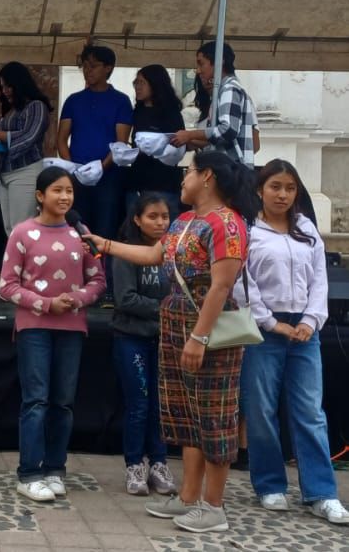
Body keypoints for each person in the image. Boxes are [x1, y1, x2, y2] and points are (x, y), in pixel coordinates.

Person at [85, 150, 256, 535]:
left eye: (189, 171)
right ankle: (188, 497)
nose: (183, 178)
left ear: (207, 176)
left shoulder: (227, 224)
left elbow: (222, 285)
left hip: (210, 328)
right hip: (176, 322)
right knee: (185, 415)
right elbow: (152, 254)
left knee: (213, 414)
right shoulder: (183, 222)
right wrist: (105, 245)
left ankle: (214, 506)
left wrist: (199, 337)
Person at [238, 160, 349, 525]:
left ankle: (322, 492)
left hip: (305, 332)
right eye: (275, 187)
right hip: (263, 332)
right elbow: (243, 284)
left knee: (310, 413)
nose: (282, 194)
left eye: (289, 188)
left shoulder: (306, 229)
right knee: (261, 409)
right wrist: (271, 322)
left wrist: (310, 320)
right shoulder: (249, 230)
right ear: (259, 189)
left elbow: (320, 279)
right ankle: (270, 484)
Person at [0, 166, 106, 503]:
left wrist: (75, 300)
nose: (64, 197)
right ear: (40, 196)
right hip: (34, 327)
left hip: (72, 327)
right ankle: (29, 473)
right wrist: (45, 304)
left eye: (69, 191)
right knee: (36, 401)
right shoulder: (22, 233)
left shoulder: (82, 233)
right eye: (57, 190)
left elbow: (99, 281)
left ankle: (55, 469)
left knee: (63, 402)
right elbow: (6, 286)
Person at [111, 194, 177, 497]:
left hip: (165, 340)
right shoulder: (127, 252)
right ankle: (135, 464)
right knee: (139, 404)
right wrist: (166, 307)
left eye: (164, 216)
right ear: (137, 219)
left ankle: (159, 464)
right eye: (152, 216)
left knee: (160, 406)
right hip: (131, 338)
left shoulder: (174, 251)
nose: (160, 222)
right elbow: (125, 298)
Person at [57, 44, 133, 250]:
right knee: (76, 228)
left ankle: (102, 278)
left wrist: (102, 166)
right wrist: (72, 167)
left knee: (105, 230)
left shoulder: (121, 101)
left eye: (93, 66)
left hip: (108, 177)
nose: (88, 70)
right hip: (77, 176)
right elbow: (61, 139)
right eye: (85, 66)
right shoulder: (73, 101)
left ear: (108, 68)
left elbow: (121, 142)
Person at [171, 42, 256, 167]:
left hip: (231, 172)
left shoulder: (229, 89)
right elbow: (218, 140)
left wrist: (190, 134)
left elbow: (227, 130)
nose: (198, 71)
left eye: (201, 63)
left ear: (219, 62)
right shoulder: (224, 91)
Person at [0, 61, 52, 235]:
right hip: (4, 173)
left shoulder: (36, 106)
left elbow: (29, 137)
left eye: (8, 86)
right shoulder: (9, 110)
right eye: (2, 87)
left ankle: (24, 262)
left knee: (22, 227)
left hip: (26, 171)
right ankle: (14, 262)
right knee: (9, 228)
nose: (5, 91)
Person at [127, 65, 186, 221]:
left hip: (164, 182)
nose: (137, 87)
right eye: (135, 83)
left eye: (141, 83)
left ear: (155, 84)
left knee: (163, 231)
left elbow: (179, 146)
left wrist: (157, 147)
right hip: (137, 181)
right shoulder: (137, 111)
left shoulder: (171, 113)